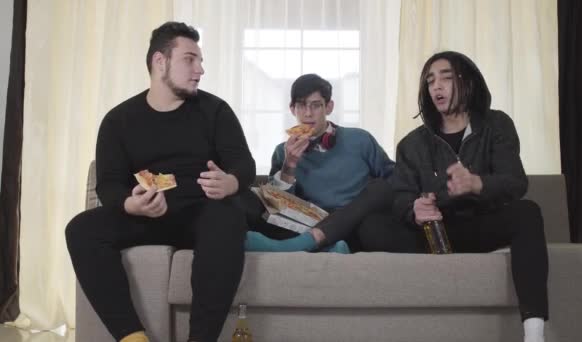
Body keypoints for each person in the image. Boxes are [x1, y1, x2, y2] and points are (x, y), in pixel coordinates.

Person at [65, 22, 255, 342]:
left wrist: (231, 182)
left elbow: (243, 163)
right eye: (190, 59)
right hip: (148, 215)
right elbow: (109, 183)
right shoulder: (118, 120)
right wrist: (131, 203)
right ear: (160, 61)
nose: (200, 70)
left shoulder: (215, 111)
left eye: (200, 61)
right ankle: (133, 337)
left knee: (228, 216)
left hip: (203, 213)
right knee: (80, 229)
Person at [369, 51, 548, 342]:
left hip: (480, 226)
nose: (436, 86)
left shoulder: (497, 125)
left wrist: (476, 183)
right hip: (433, 232)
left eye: (446, 78)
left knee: (527, 212)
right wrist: (415, 209)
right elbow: (400, 196)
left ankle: (534, 333)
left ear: (469, 84)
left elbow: (515, 182)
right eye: (430, 81)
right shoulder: (412, 144)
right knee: (371, 226)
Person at [244, 74, 395, 253]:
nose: (308, 113)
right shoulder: (282, 151)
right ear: (292, 109)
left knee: (379, 189)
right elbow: (278, 207)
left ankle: (306, 245)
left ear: (329, 107)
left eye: (316, 105)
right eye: (301, 105)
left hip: (356, 223)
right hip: (309, 223)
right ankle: (328, 247)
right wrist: (289, 165)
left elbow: (392, 178)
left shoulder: (360, 139)